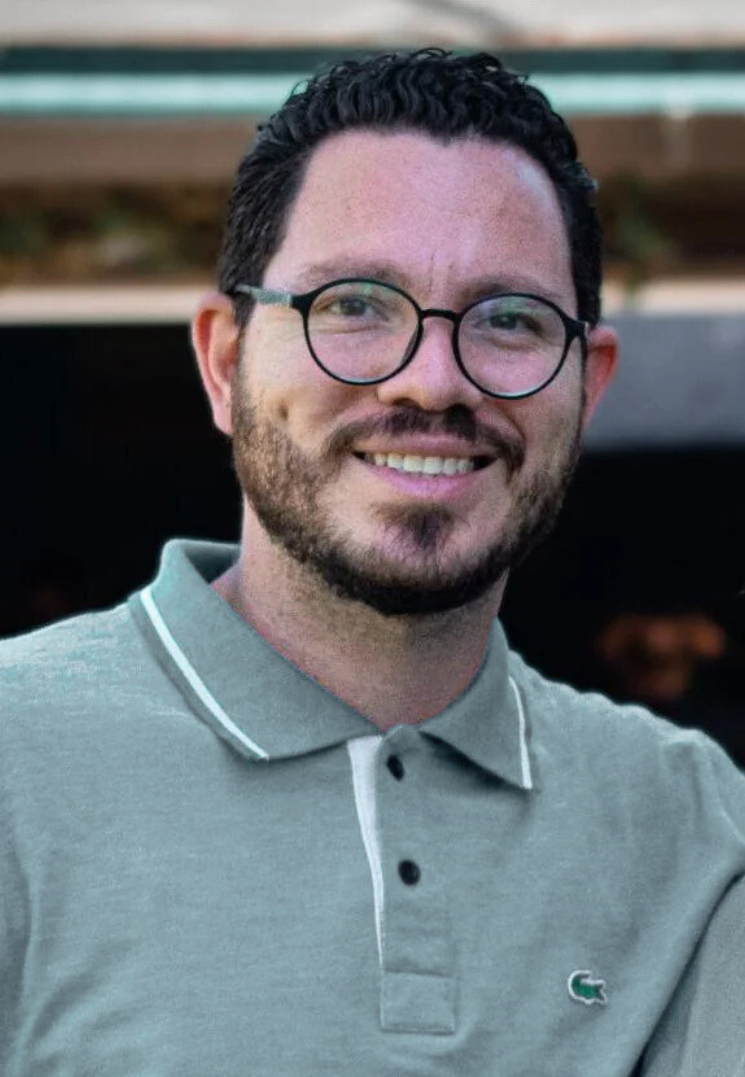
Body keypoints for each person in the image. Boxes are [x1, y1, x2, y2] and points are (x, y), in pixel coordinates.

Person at [1, 48, 743, 1077]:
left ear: (588, 387)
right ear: (224, 363)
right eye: (353, 305)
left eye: (509, 319)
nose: (431, 382)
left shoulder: (695, 825)